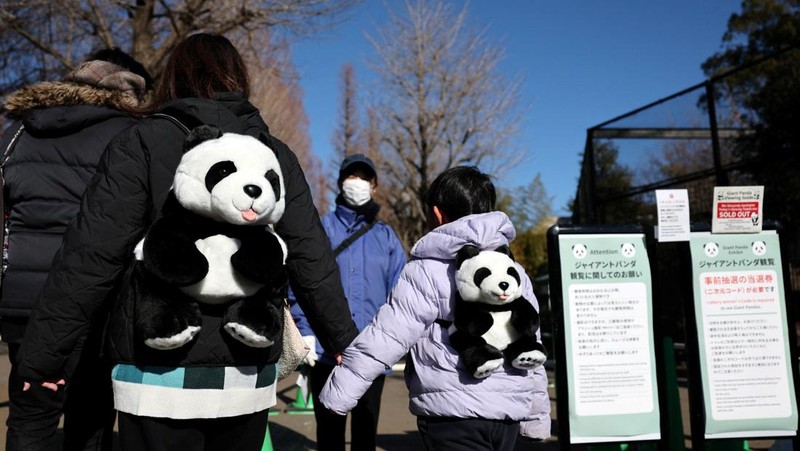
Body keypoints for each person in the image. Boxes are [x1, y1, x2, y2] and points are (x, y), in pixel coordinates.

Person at [16, 33, 359, 451]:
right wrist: (343, 341)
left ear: (172, 80)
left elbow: (90, 258)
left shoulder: (140, 142)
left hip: (155, 373)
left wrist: (41, 360)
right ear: (238, 79)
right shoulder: (273, 154)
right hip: (245, 373)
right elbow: (311, 257)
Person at [320, 166, 551, 450]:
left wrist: (338, 394)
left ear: (437, 214)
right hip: (508, 417)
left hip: (451, 412)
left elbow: (387, 336)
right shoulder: (515, 272)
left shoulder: (426, 271)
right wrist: (537, 417)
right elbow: (531, 346)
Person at [0, 47, 152, 451]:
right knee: (91, 416)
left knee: (31, 411)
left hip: (22, 302)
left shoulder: (17, 131)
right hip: (93, 302)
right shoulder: (130, 135)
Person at [289, 153, 406, 451]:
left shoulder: (387, 237)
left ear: (374, 186)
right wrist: (306, 329)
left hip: (371, 352)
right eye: (351, 176)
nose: (358, 182)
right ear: (340, 183)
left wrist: (394, 342)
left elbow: (401, 294)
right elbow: (302, 281)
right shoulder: (320, 229)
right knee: (329, 435)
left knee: (366, 435)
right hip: (328, 350)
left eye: (364, 177)